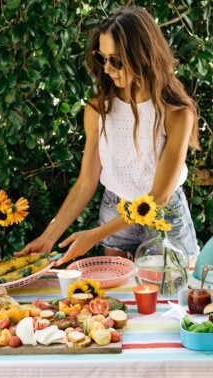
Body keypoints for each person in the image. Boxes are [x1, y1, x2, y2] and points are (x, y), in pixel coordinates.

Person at [16, 6, 199, 265]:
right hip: (116, 209)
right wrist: (48, 238)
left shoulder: (176, 113)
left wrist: (95, 235)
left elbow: (158, 197)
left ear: (144, 56)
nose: (108, 69)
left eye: (117, 61)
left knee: (173, 296)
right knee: (121, 299)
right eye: (102, 58)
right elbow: (85, 182)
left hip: (164, 216)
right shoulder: (98, 109)